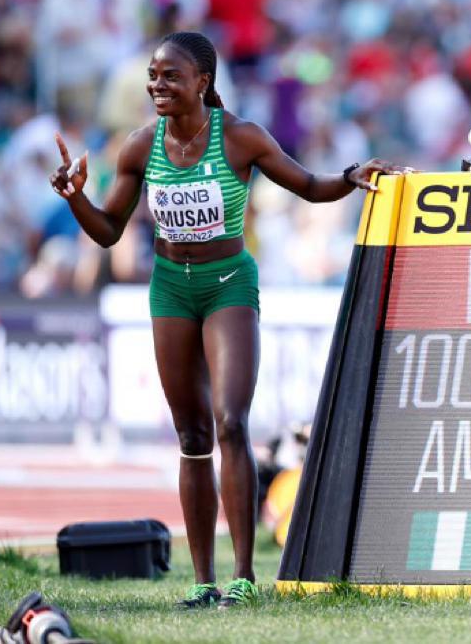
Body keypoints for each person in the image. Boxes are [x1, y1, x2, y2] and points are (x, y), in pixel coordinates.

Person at [49, 31, 409, 609]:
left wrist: (350, 177)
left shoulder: (240, 137)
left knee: (230, 421)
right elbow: (109, 230)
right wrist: (75, 198)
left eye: (170, 76)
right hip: (170, 289)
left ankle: (243, 576)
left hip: (228, 286)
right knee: (192, 436)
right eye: (153, 75)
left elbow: (308, 186)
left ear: (203, 83)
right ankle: (202, 581)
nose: (157, 85)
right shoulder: (140, 147)